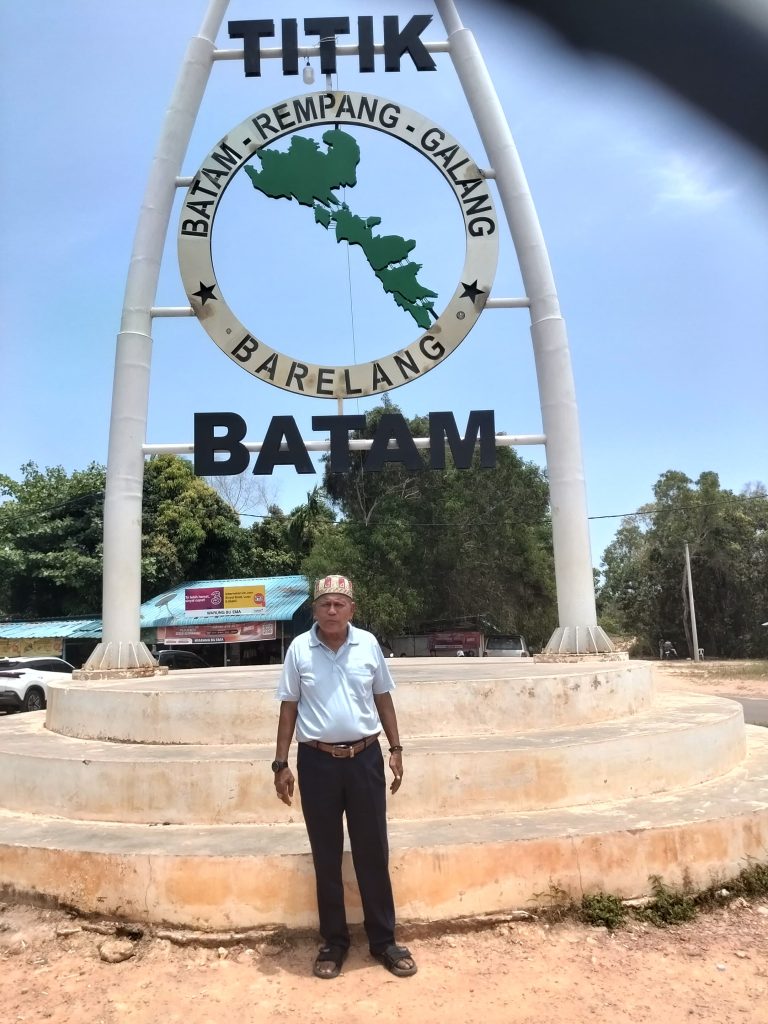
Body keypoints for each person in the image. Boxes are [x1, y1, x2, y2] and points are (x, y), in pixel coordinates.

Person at [272, 574, 417, 981]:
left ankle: (384, 940)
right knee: (326, 853)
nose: (332, 610)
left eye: (339, 604)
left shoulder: (368, 645)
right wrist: (281, 764)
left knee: (373, 851)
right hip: (316, 762)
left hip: (365, 759)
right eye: (325, 604)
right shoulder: (299, 649)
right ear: (314, 610)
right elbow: (288, 707)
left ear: (352, 609)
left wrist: (396, 749)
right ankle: (334, 942)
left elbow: (382, 698)